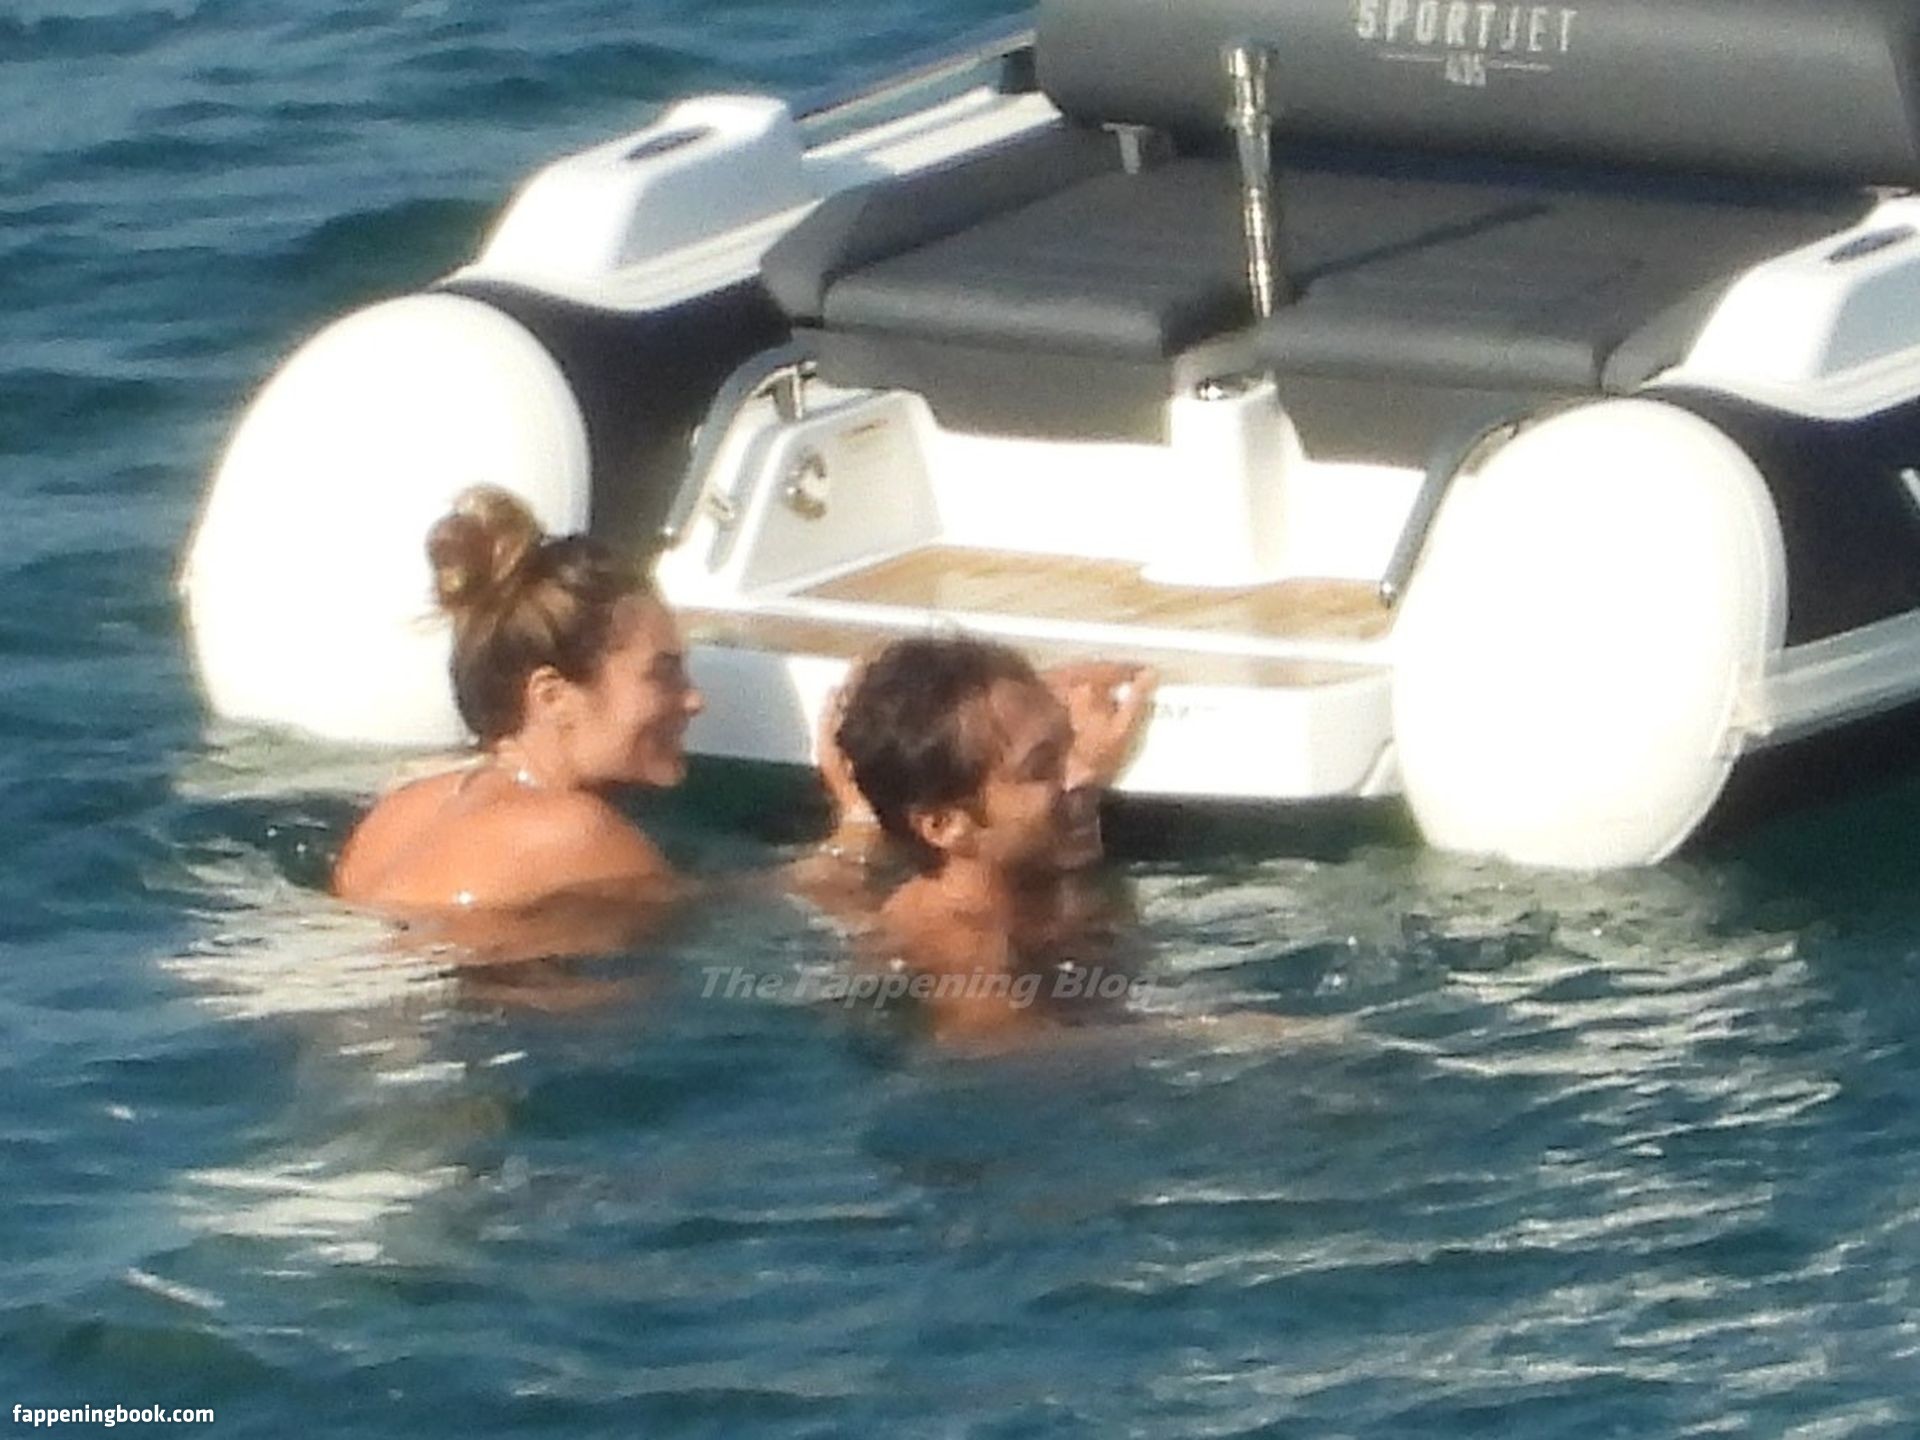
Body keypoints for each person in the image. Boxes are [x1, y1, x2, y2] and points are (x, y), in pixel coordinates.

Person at [332, 486, 703, 921]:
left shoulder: (399, 809)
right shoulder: (578, 833)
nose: (694, 699)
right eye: (662, 673)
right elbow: (701, 919)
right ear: (553, 696)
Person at [830, 635, 1156, 1043]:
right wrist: (1217, 1036)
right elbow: (999, 1054)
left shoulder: (1025, 871)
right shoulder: (964, 946)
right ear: (945, 825)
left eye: (1070, 742)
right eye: (1042, 767)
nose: (1084, 774)